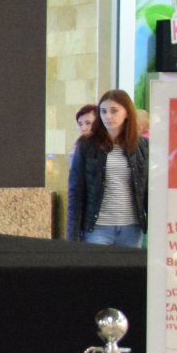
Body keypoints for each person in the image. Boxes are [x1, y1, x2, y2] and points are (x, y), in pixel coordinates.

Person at [68, 88, 147, 247]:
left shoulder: (142, 146)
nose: (108, 116)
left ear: (127, 113)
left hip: (131, 228)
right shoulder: (86, 145)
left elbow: (147, 190)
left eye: (114, 111)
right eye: (103, 111)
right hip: (97, 228)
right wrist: (72, 235)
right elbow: (76, 191)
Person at [65, 102, 97, 241]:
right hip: (88, 216)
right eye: (80, 124)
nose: (83, 128)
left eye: (88, 123)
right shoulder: (78, 148)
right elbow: (75, 188)